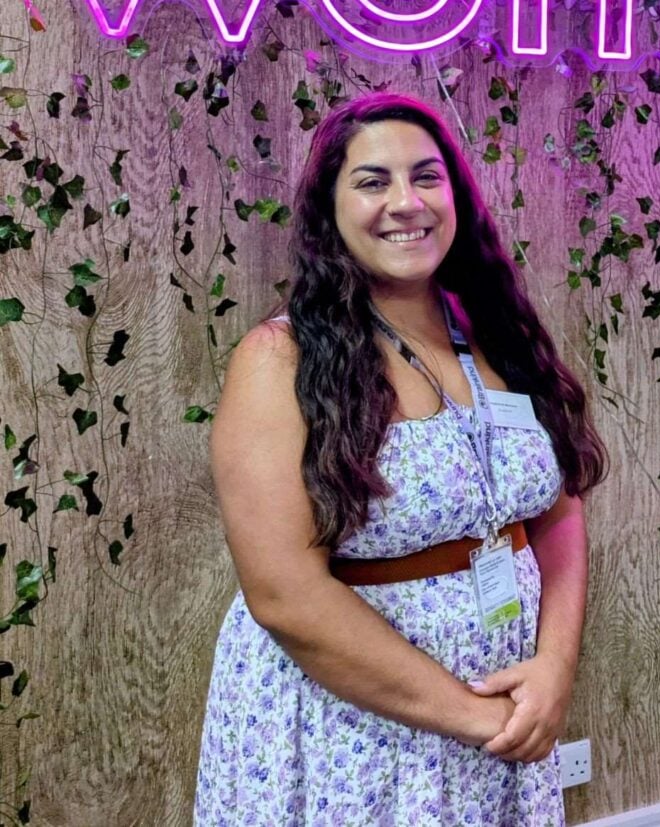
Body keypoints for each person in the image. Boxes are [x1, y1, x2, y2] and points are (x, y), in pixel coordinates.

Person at [194, 92, 607, 826]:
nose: (405, 202)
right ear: (330, 208)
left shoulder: (495, 329)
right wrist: (476, 719)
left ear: (457, 193)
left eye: (427, 176)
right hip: (350, 730)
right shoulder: (278, 359)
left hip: (502, 714)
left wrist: (554, 667)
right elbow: (285, 594)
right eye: (372, 181)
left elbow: (557, 508)